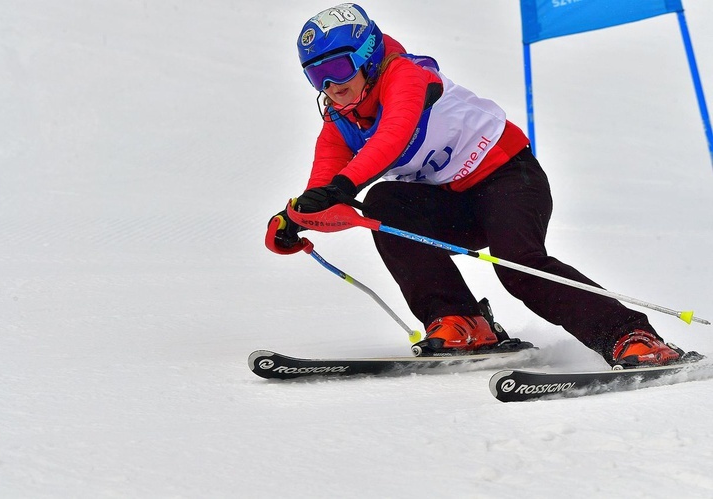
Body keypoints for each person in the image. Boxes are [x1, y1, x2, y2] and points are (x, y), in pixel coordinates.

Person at [265, 3, 692, 368]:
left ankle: (631, 336)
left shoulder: (407, 76)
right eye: (316, 75)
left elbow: (394, 135)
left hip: (508, 178)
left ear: (369, 55)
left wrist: (339, 187)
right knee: (382, 203)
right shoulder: (340, 118)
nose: (331, 86)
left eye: (337, 68)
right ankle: (463, 322)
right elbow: (323, 182)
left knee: (516, 265)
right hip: (455, 204)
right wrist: (295, 217)